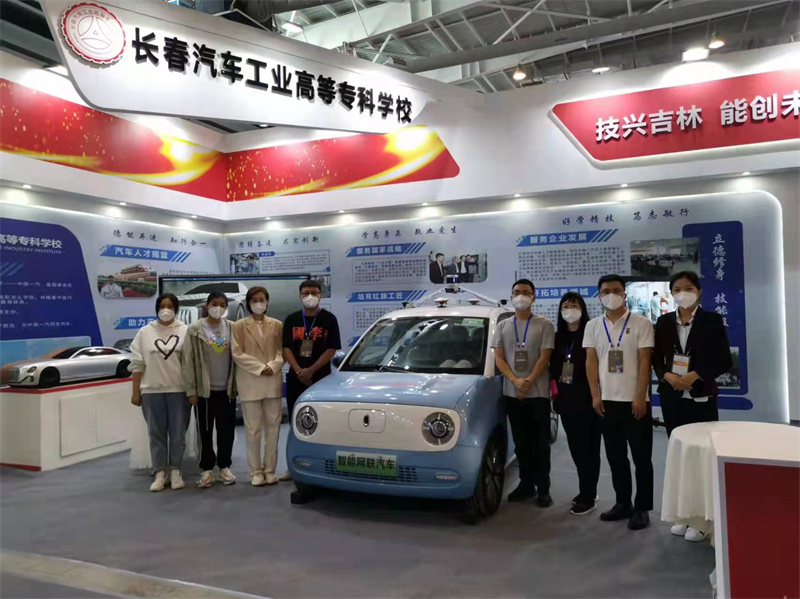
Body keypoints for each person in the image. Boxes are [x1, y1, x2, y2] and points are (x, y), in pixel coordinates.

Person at [652, 271, 732, 541]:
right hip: (672, 396)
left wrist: (695, 376)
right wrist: (667, 375)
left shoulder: (711, 320)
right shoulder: (663, 322)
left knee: (701, 457)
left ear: (699, 292)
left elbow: (722, 359)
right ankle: (683, 515)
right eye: (676, 289)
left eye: (688, 288)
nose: (682, 293)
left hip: (701, 396)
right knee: (679, 455)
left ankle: (701, 521)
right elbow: (656, 358)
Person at [584, 274, 654, 530]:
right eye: (605, 291)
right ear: (599, 296)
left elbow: (645, 361)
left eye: (616, 290)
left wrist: (640, 396)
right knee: (616, 457)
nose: (611, 295)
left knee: (641, 458)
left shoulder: (641, 323)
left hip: (635, 401)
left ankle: (642, 507)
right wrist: (595, 395)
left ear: (625, 294)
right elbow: (591, 362)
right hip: (606, 402)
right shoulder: (593, 326)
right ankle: (623, 503)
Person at [493, 278, 555, 507]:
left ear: (533, 297)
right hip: (512, 393)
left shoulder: (544, 324)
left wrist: (527, 382)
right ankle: (526, 484)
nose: (521, 295)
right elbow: (499, 358)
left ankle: (543, 488)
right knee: (521, 443)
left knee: (541, 444)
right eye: (517, 292)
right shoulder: (503, 326)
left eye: (526, 292)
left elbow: (544, 357)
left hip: (537, 393)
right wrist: (515, 381)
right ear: (511, 297)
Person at [129, 293, 190, 492]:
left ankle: (176, 470)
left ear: (176, 309)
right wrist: (135, 392)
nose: (166, 310)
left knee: (178, 434)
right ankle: (160, 471)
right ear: (156, 308)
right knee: (156, 434)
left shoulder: (185, 331)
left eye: (170, 306)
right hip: (151, 391)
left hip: (178, 390)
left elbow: (191, 364)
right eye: (162, 306)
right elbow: (137, 364)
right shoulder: (145, 332)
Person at [550, 292, 601, 516]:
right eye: (565, 305)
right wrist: (555, 395)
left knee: (590, 448)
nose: (569, 309)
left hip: (589, 398)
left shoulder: (591, 333)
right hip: (566, 399)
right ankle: (588, 490)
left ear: (583, 309)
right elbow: (553, 370)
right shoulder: (557, 337)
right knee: (577, 449)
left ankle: (587, 495)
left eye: (574, 305)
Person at [182, 291, 237, 488]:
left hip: (226, 390)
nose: (218, 308)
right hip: (204, 391)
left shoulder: (232, 327)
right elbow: (188, 361)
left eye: (222, 305)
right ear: (207, 305)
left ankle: (224, 467)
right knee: (205, 432)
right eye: (214, 304)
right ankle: (206, 469)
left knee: (226, 431)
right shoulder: (195, 329)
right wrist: (191, 390)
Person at [232, 286, 286, 486]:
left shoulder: (277, 325)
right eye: (254, 300)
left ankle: (270, 470)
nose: (258, 303)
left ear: (267, 301)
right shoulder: (238, 326)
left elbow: (282, 350)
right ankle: (255, 471)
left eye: (262, 299)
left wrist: (273, 366)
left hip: (272, 380)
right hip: (250, 381)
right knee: (253, 430)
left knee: (273, 429)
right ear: (248, 303)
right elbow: (237, 353)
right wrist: (260, 367)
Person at [283, 279, 341, 427]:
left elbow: (331, 349)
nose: (310, 296)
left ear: (320, 295)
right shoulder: (291, 319)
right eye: (306, 293)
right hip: (296, 377)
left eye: (314, 293)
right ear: (300, 296)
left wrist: (311, 371)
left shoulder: (329, 319)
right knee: (296, 419)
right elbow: (286, 348)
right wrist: (299, 371)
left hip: (321, 377)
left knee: (321, 420)